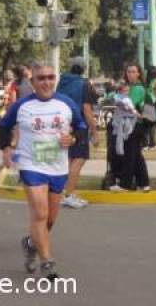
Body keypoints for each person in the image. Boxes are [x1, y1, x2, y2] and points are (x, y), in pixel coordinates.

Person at [0, 62, 86, 279]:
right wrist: (6, 148)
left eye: (50, 77)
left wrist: (73, 138)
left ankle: (30, 243)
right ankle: (47, 261)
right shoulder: (21, 105)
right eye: (41, 78)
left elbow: (82, 128)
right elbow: (3, 126)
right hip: (31, 165)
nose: (46, 82)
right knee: (40, 213)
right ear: (33, 82)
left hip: (57, 166)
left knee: (50, 220)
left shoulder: (66, 104)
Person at [56, 57, 98, 209]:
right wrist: (94, 131)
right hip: (78, 125)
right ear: (83, 69)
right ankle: (69, 195)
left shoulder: (62, 82)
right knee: (78, 159)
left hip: (63, 125)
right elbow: (87, 109)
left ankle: (60, 193)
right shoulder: (84, 84)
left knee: (67, 160)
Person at [109, 65, 150, 192]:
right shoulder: (128, 87)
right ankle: (143, 183)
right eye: (128, 71)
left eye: (133, 72)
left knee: (129, 155)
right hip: (129, 124)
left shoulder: (138, 88)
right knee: (136, 154)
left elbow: (127, 104)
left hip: (134, 125)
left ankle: (125, 184)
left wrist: (117, 98)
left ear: (139, 74)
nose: (130, 74)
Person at [143, 67, 156, 151]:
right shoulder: (155, 81)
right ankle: (152, 144)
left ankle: (145, 144)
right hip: (152, 103)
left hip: (145, 103)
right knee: (152, 125)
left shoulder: (145, 82)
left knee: (146, 125)